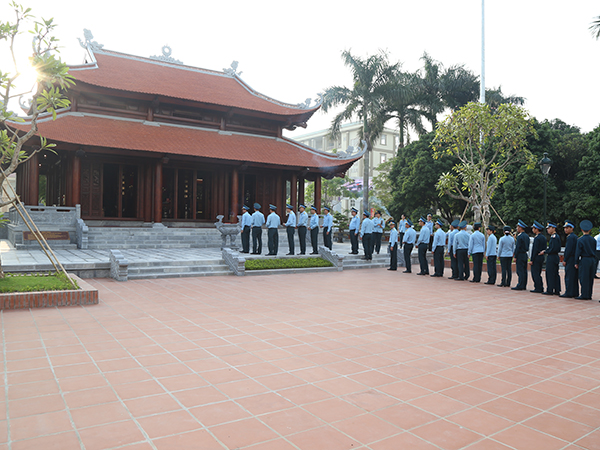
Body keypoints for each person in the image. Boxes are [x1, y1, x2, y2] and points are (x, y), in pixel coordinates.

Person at [575, 219, 596, 300]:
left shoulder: (580, 240)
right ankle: (589, 294)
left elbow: (578, 252)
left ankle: (584, 294)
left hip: (584, 259)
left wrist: (576, 262)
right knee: (590, 278)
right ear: (590, 230)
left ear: (581, 229)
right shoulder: (593, 240)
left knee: (583, 277)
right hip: (592, 260)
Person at [561, 221, 579, 298]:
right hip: (573, 258)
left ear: (572, 228)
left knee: (569, 276)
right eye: (565, 228)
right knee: (574, 277)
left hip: (570, 258)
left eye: (567, 228)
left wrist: (565, 259)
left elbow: (568, 250)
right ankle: (575, 292)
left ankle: (569, 292)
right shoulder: (575, 237)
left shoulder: (570, 237)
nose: (565, 229)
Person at [544, 222, 561, 295]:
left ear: (554, 228)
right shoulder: (554, 237)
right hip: (554, 257)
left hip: (552, 256)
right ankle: (556, 289)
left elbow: (553, 249)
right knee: (555, 273)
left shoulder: (554, 237)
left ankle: (550, 289)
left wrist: (545, 251)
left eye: (549, 228)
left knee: (550, 273)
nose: (548, 230)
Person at [512, 220, 530, 291]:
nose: (517, 228)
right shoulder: (526, 236)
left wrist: (515, 256)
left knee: (520, 271)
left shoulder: (520, 237)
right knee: (524, 270)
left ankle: (520, 284)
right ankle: (524, 285)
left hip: (520, 255)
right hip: (525, 254)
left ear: (520, 228)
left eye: (518, 227)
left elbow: (518, 247)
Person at [529, 220, 546, 293]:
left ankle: (538, 287)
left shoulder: (537, 238)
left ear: (536, 229)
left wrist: (532, 259)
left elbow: (534, 250)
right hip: (541, 257)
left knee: (535, 273)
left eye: (533, 228)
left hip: (536, 257)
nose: (533, 229)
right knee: (538, 272)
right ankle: (540, 287)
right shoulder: (543, 237)